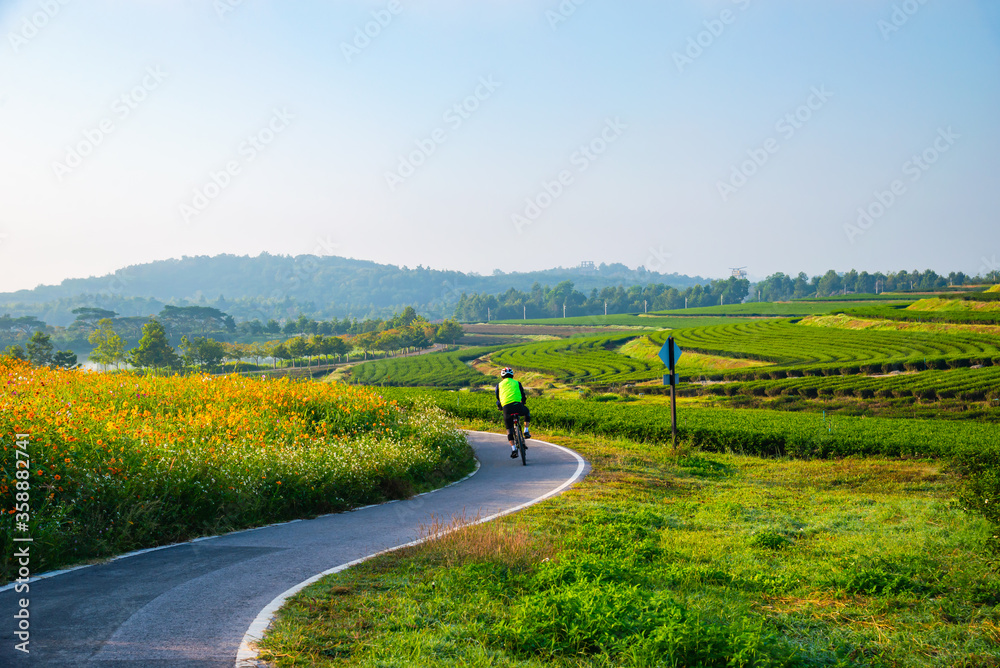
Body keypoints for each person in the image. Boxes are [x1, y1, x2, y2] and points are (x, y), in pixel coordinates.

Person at [495, 367, 532, 458]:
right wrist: (523, 402)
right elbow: (523, 395)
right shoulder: (517, 383)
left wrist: (500, 407)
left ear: (502, 376)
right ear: (512, 375)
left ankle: (513, 449)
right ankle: (526, 431)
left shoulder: (499, 385)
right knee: (526, 412)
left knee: (509, 430)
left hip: (507, 408)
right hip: (518, 406)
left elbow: (498, 398)